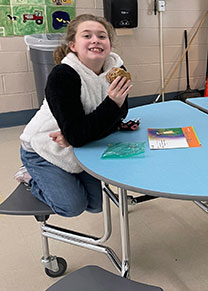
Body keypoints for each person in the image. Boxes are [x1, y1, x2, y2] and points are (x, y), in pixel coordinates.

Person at [16, 14, 132, 217]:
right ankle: (31, 177)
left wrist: (77, 134)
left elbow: (121, 113)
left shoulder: (117, 70)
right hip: (43, 147)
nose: (95, 40)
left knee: (96, 205)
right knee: (72, 207)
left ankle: (62, 179)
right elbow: (81, 132)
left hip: (78, 145)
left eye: (102, 36)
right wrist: (78, 133)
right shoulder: (63, 76)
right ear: (73, 45)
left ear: (109, 46)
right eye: (87, 35)